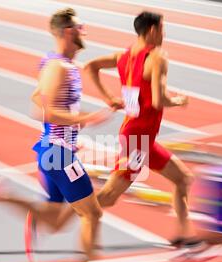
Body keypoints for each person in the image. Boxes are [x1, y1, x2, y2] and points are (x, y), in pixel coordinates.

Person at [0, 8, 132, 262]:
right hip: (58, 153)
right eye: (80, 27)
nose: (85, 31)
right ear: (67, 32)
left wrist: (73, 130)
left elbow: (37, 95)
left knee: (54, 221)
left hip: (55, 150)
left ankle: (0, 194)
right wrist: (87, 120)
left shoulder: (58, 64)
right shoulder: (59, 68)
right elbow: (42, 109)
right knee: (92, 213)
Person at [84, 11, 205, 248]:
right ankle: (66, 212)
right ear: (152, 30)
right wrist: (178, 101)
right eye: (162, 29)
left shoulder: (123, 56)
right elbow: (159, 101)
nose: (164, 34)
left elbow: (90, 66)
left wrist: (109, 98)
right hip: (138, 139)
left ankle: (184, 236)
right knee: (109, 196)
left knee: (183, 179)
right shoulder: (158, 57)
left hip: (140, 137)